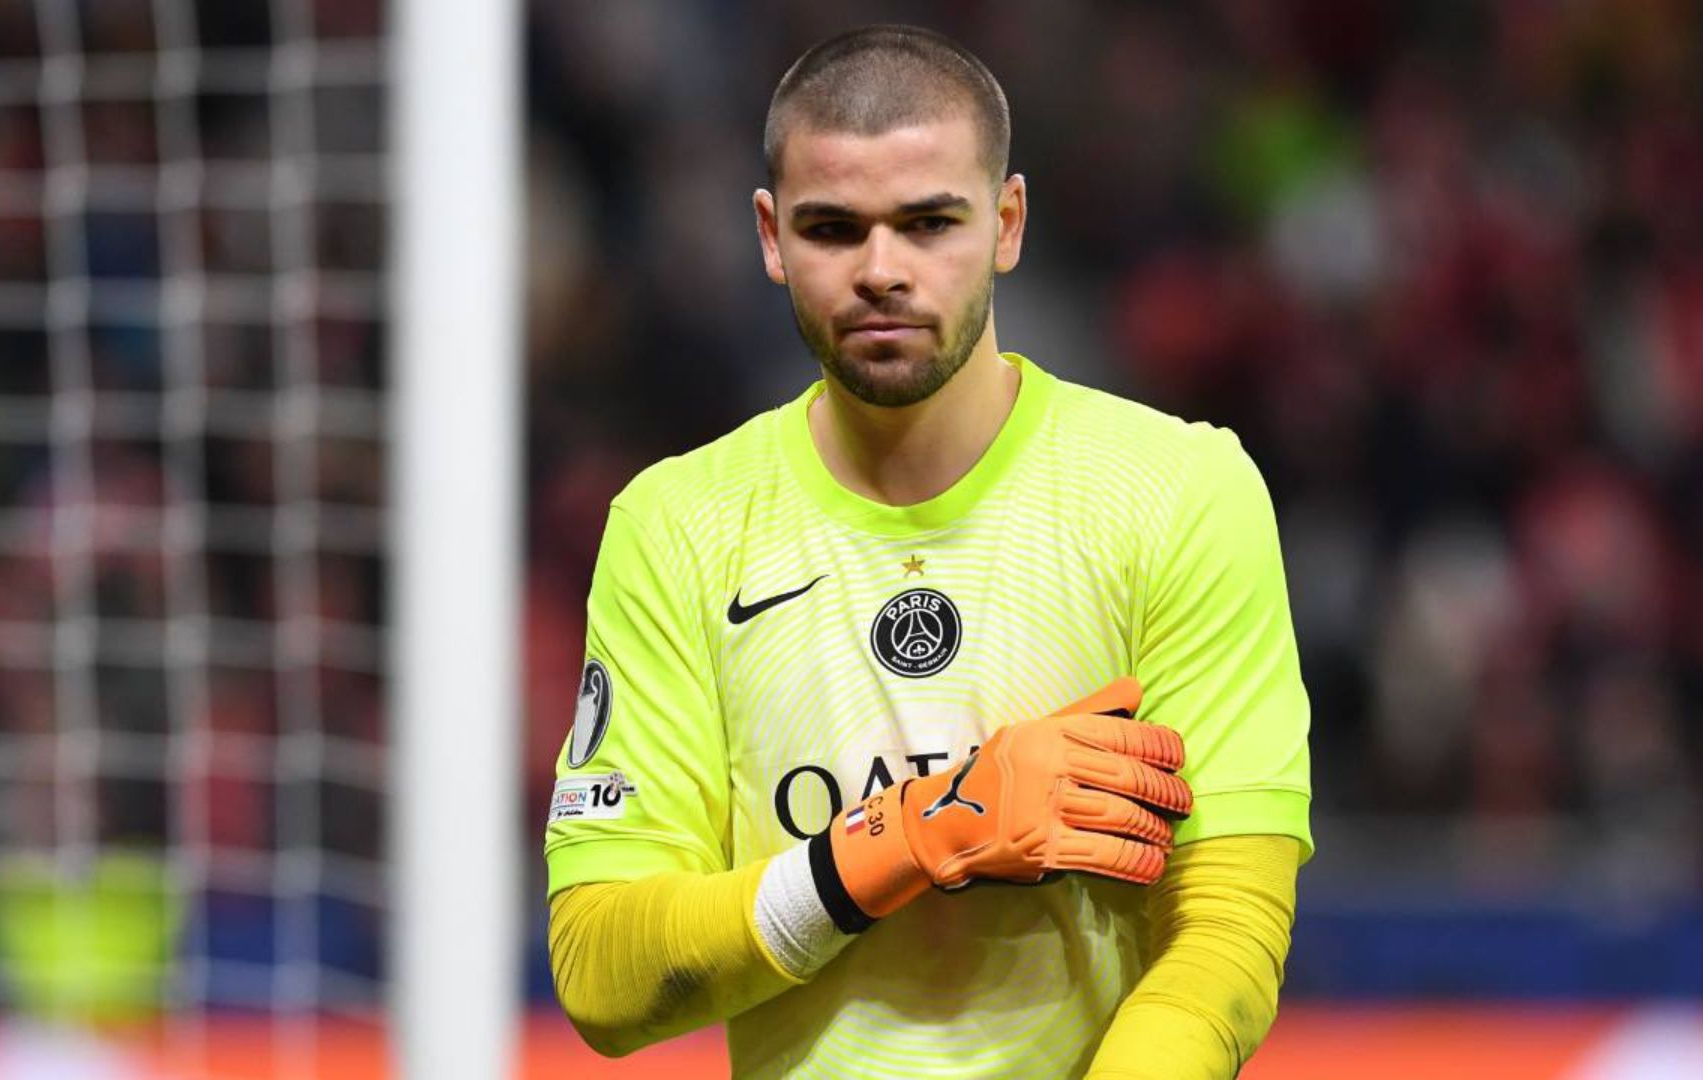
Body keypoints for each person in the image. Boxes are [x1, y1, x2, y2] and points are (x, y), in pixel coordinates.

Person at [544, 23, 1312, 1080]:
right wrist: (913, 837)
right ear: (770, 238)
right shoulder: (678, 526)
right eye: (832, 229)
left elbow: (1226, 936)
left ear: (1007, 222)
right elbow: (602, 973)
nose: (880, 271)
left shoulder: (1179, 492)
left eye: (928, 223)